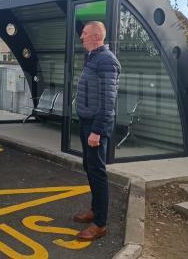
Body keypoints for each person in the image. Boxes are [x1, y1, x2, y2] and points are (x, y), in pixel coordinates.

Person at [73, 21, 121, 241]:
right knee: (89, 167)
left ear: (95, 36)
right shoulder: (93, 57)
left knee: (98, 172)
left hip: (95, 126)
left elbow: (107, 100)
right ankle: (95, 209)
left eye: (84, 33)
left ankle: (100, 224)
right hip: (87, 123)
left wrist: (97, 131)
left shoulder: (106, 61)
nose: (81, 37)